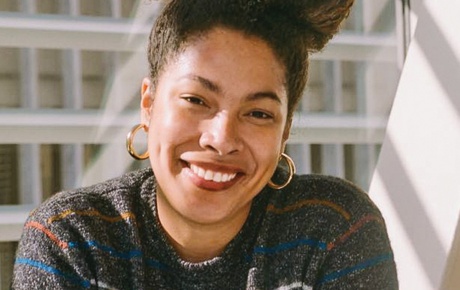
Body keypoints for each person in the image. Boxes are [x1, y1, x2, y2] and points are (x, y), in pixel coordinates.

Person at [12, 0, 398, 289]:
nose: (221, 139)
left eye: (259, 114)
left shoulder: (334, 230)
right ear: (148, 104)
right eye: (196, 100)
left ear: (285, 132)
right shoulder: (72, 239)